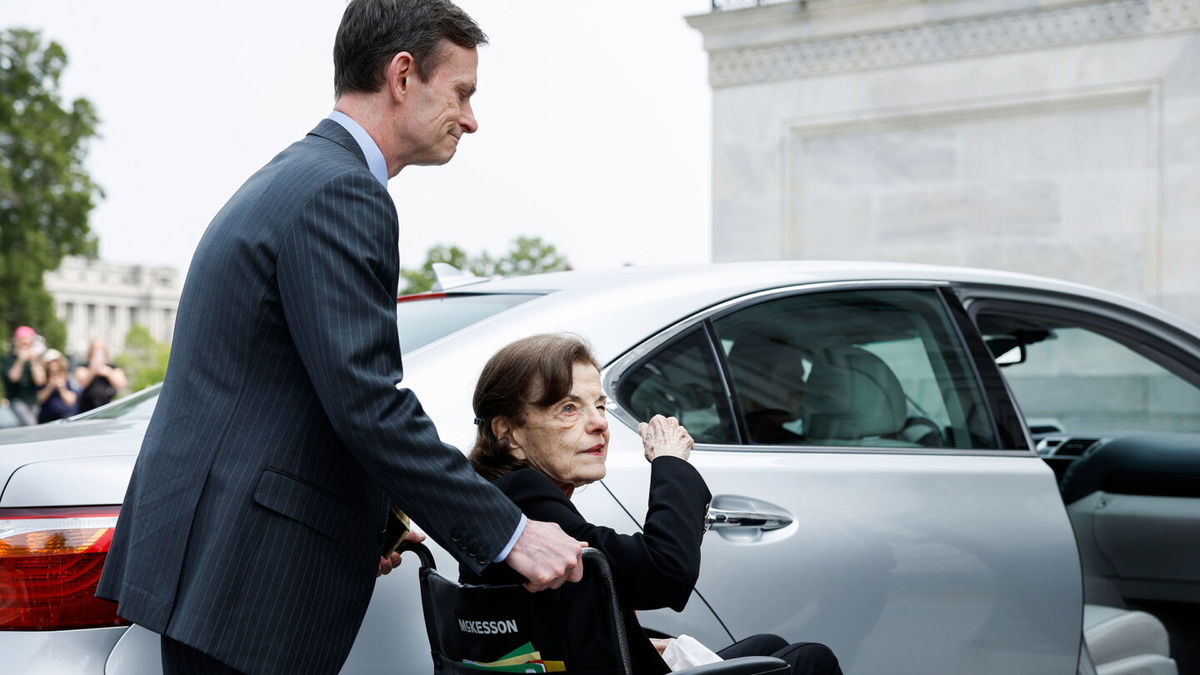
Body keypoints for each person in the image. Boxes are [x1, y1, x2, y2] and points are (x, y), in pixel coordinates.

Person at [95, 2, 585, 673]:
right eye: (462, 93)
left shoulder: (293, 175)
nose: (471, 119)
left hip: (219, 565)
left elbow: (288, 390)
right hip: (250, 578)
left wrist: (375, 515)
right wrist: (510, 532)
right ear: (402, 75)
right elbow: (366, 400)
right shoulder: (345, 193)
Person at [465, 334, 843, 675]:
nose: (599, 423)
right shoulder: (524, 498)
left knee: (771, 648)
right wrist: (671, 462)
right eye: (568, 408)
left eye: (599, 405)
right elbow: (665, 573)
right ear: (508, 433)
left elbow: (571, 616)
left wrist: (640, 643)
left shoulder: (501, 494)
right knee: (809, 660)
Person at [3, 326, 47, 426]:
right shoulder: (9, 359)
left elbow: (40, 381)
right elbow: (13, 378)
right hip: (17, 400)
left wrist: (34, 362)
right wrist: (20, 360)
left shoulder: (34, 359)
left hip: (33, 402)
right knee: (32, 425)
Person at [74, 338, 127, 412]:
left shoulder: (112, 367)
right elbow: (82, 383)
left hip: (107, 410)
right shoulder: (84, 366)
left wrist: (108, 373)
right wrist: (93, 370)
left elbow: (121, 385)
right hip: (86, 410)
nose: (98, 352)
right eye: (95, 349)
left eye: (101, 349)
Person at [36, 349, 79, 423]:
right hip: (46, 418)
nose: (53, 364)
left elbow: (71, 401)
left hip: (63, 417)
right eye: (50, 361)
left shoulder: (67, 378)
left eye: (55, 361)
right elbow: (39, 399)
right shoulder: (43, 379)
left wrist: (61, 388)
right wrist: (49, 387)